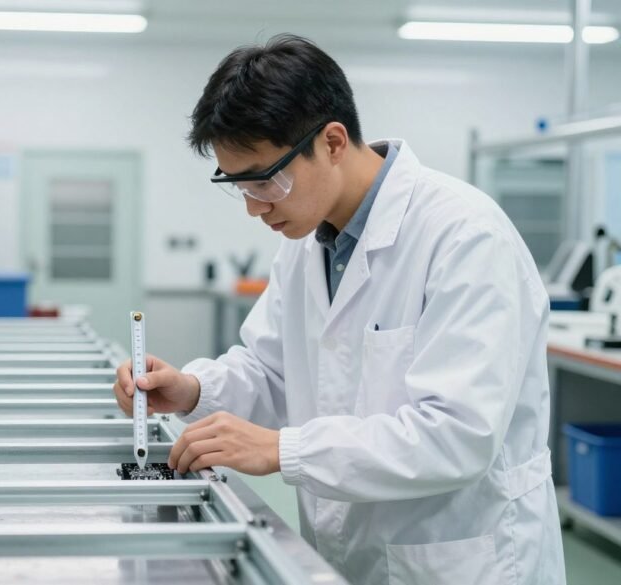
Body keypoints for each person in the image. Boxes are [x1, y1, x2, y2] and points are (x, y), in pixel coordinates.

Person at [113, 34, 565, 585]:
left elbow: (457, 435)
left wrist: (284, 449)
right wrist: (193, 390)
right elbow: (273, 371)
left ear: (331, 142)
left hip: (460, 560)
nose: (255, 208)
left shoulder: (465, 236)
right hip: (347, 556)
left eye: (266, 180)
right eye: (239, 186)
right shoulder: (307, 243)